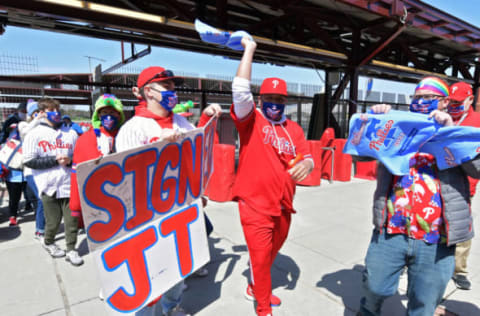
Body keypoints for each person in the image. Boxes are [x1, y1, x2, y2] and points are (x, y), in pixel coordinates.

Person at [358, 76, 480, 316]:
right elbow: (359, 155)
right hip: (392, 230)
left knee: (424, 303)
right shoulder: (399, 127)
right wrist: (374, 123)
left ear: (444, 102)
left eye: (428, 98)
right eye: (417, 98)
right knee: (375, 286)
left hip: (437, 237)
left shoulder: (459, 131)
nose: (421, 102)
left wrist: (450, 134)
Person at [116, 66, 221, 316]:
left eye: (173, 86)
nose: (173, 91)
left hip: (182, 210)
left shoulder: (180, 121)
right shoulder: (133, 128)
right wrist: (156, 148)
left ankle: (172, 308)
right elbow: (124, 182)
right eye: (167, 86)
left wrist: (205, 119)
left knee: (179, 268)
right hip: (150, 218)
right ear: (149, 91)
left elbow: (195, 154)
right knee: (151, 276)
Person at [231, 37, 313, 316]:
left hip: (283, 205)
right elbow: (240, 91)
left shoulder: (294, 129)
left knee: (271, 251)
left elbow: (305, 155)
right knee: (261, 255)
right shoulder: (251, 120)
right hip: (254, 203)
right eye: (269, 99)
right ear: (261, 99)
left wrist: (310, 164)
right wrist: (249, 50)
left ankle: (255, 287)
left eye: (279, 99)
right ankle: (263, 308)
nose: (274, 104)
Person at [23, 97, 83, 266]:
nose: (56, 113)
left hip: (68, 183)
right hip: (47, 185)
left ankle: (71, 249)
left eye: (57, 109)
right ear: (42, 113)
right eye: (51, 110)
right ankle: (48, 241)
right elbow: (28, 160)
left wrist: (70, 160)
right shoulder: (34, 134)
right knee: (53, 221)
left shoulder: (70, 133)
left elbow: (77, 157)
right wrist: (54, 160)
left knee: (71, 220)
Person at [70, 93, 125, 224]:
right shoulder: (86, 139)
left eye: (113, 112)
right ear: (98, 115)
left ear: (119, 115)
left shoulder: (128, 134)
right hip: (97, 200)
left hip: (124, 196)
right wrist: (76, 206)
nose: (109, 116)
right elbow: (77, 173)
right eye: (104, 112)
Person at [446, 81, 480, 290]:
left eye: (458, 102)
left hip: (466, 184)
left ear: (470, 100)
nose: (454, 106)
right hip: (442, 181)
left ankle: (459, 270)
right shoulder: (445, 118)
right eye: (451, 102)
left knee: (462, 228)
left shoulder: (477, 122)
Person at [18, 100, 47, 238]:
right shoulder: (24, 125)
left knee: (46, 199)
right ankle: (40, 230)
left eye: (41, 112)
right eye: (35, 112)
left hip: (44, 168)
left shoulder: (44, 127)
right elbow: (25, 132)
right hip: (30, 171)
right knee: (42, 199)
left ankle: (45, 225)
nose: (39, 115)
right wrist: (37, 119)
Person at [4, 123, 26, 226]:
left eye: (15, 130)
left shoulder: (27, 142)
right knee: (14, 198)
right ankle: (13, 216)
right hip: (12, 176)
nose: (13, 132)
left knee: (32, 196)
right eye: (11, 130)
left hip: (27, 175)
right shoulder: (7, 144)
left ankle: (31, 208)